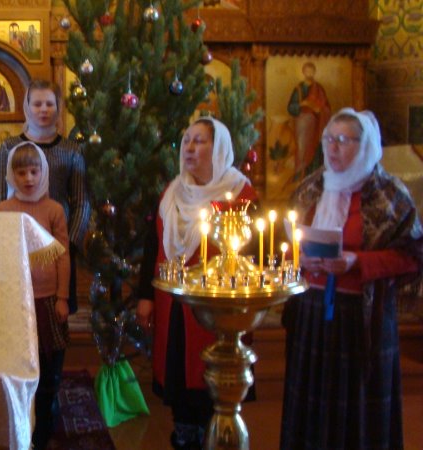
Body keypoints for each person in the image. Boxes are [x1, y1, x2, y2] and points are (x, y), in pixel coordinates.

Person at [281, 108, 423, 450]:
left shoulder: (388, 194)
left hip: (362, 318)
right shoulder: (311, 188)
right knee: (312, 407)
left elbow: (413, 256)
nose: (332, 147)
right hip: (312, 312)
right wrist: (298, 258)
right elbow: (286, 243)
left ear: (366, 145)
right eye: (329, 139)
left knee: (356, 412)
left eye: (343, 140)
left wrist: (357, 261)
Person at [136, 117, 258, 450]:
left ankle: (217, 434)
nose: (189, 148)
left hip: (219, 308)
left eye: (199, 141)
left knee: (212, 380)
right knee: (179, 377)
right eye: (187, 140)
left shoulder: (240, 193)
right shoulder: (173, 192)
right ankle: (185, 436)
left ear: (218, 148)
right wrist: (146, 295)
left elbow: (254, 255)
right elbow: (153, 244)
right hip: (174, 302)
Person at [0, 79, 90, 313]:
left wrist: (68, 243)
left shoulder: (71, 151)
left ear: (58, 107)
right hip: (18, 246)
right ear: (27, 107)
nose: (43, 109)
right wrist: (6, 240)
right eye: (37, 104)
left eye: (49, 104)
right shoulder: (9, 148)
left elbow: (81, 201)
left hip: (58, 245)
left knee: (57, 315)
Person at [0, 142, 70, 450]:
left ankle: (45, 426)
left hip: (48, 300)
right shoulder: (3, 210)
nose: (28, 178)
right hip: (17, 301)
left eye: (34, 171)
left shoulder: (54, 210)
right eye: (21, 172)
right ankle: (20, 421)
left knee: (50, 366)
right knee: (21, 363)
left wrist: (62, 297)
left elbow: (62, 255)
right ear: (11, 175)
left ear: (43, 172)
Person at [288, 62, 331, 182]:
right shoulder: (298, 89)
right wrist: (302, 104)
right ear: (303, 72)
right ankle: (299, 173)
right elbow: (291, 108)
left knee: (316, 149)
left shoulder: (319, 89)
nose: (309, 73)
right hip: (303, 124)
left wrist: (321, 109)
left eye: (311, 71)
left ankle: (314, 174)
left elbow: (327, 107)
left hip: (317, 124)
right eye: (307, 71)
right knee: (302, 148)